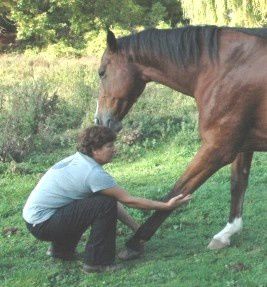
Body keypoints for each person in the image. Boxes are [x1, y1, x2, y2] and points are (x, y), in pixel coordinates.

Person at [23, 126, 191, 273]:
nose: (114, 149)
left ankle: (61, 251)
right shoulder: (92, 173)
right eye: (109, 146)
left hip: (37, 221)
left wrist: (137, 229)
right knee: (104, 204)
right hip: (44, 223)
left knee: (98, 202)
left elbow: (100, 206)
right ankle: (97, 263)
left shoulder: (78, 160)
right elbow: (129, 200)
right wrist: (166, 206)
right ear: (95, 150)